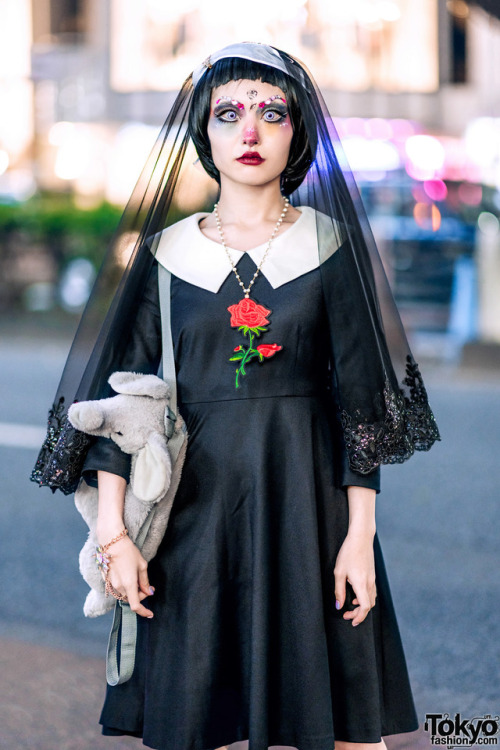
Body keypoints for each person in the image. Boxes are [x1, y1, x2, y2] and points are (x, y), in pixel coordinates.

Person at [32, 43, 440, 750]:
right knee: (192, 721)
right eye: (228, 114)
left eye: (271, 113)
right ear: (204, 134)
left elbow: (362, 408)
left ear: (297, 131)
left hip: (310, 514)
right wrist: (113, 536)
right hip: (193, 520)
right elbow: (118, 410)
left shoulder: (328, 245)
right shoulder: (162, 255)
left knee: (345, 729)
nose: (249, 132)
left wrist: (359, 540)